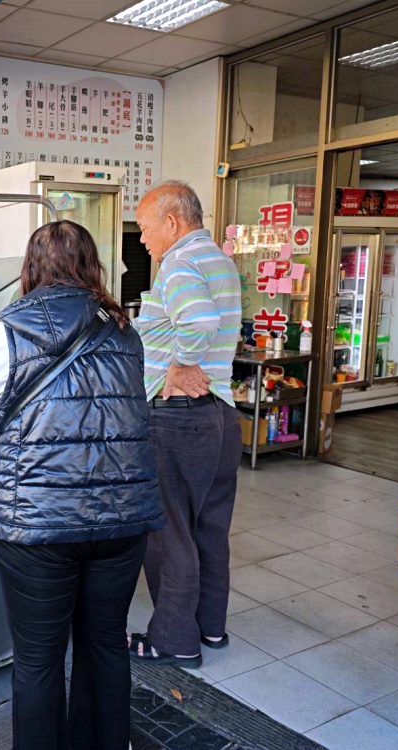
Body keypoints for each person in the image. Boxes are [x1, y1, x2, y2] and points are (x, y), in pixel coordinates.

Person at [0, 220, 164, 750]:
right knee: (105, 646)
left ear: (31, 268)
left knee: (38, 659)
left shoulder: (15, 329)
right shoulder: (124, 330)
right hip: (121, 517)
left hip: (38, 523)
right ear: (93, 266)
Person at [129, 180, 242, 668]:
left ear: (171, 222)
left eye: (144, 228)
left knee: (169, 529)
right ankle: (210, 628)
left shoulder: (178, 262)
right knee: (208, 528)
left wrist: (179, 366)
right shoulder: (219, 259)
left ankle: (174, 638)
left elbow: (197, 323)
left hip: (178, 420)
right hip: (220, 416)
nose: (142, 240)